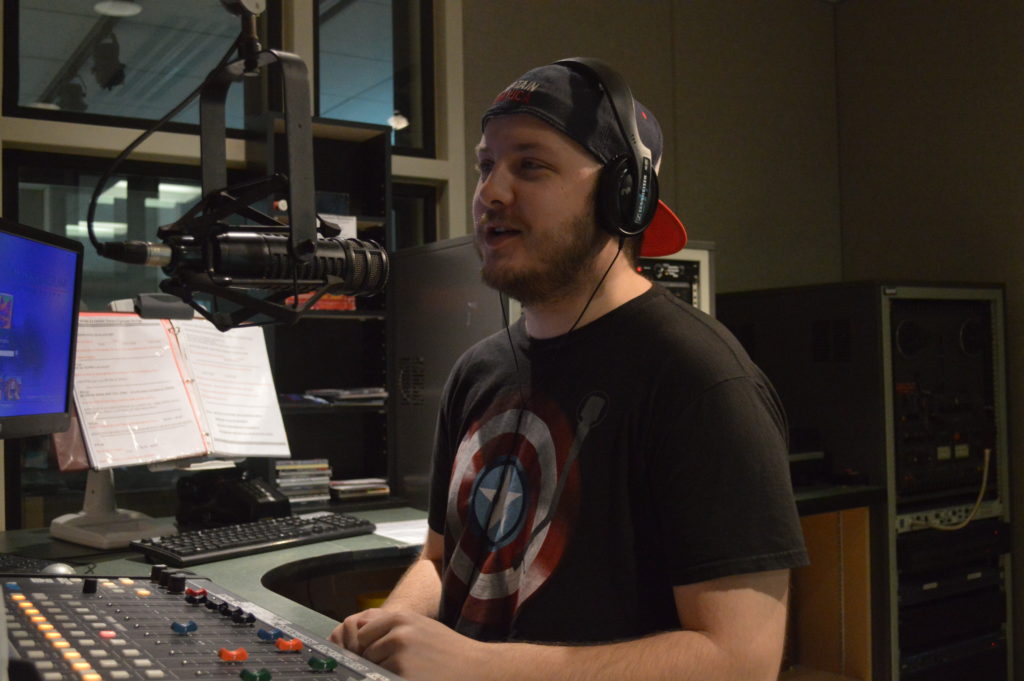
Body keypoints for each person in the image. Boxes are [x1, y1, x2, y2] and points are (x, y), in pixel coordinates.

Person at [330, 57, 808, 681]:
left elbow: (742, 660)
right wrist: (392, 625)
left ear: (622, 196)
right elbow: (443, 560)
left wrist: (480, 667)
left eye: (530, 164)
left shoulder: (701, 382)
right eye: (485, 165)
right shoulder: (477, 372)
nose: (491, 192)